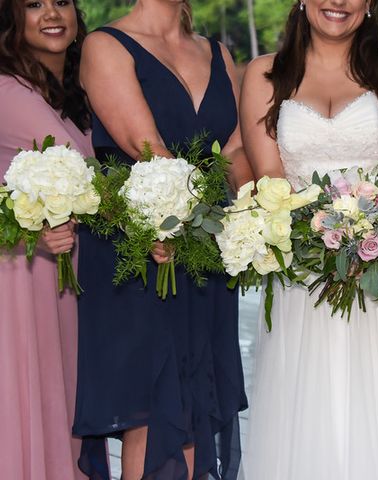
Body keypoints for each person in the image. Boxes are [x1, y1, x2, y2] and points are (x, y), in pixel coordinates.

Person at [239, 1, 378, 479]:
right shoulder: (264, 73)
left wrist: (370, 236)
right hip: (303, 277)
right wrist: (321, 242)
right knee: (310, 404)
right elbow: (269, 178)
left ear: (370, 5)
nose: (338, 3)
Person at [72, 1, 253, 478]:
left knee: (197, 399)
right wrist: (178, 218)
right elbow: (145, 148)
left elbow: (235, 147)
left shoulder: (218, 52)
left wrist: (262, 208)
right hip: (138, 245)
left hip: (204, 246)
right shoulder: (105, 45)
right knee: (151, 410)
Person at [0, 0, 92, 479]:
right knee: (29, 403)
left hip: (60, 275)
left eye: (61, 1)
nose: (51, 13)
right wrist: (28, 234)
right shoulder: (7, 90)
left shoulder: (67, 93)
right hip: (20, 274)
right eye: (33, 4)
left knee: (60, 398)